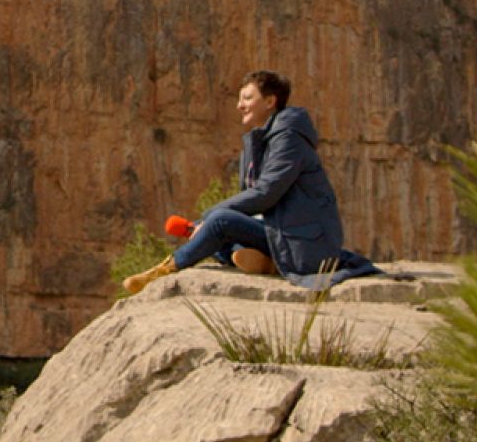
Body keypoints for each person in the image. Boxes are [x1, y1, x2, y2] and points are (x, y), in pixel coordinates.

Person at [122, 70, 380, 294]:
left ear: (270, 101)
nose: (239, 105)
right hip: (280, 232)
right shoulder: (259, 142)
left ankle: (164, 270)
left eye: (247, 98)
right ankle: (267, 262)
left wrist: (211, 216)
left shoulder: (289, 139)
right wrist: (205, 224)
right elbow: (253, 203)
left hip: (304, 242)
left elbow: (266, 192)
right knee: (210, 231)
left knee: (219, 221)